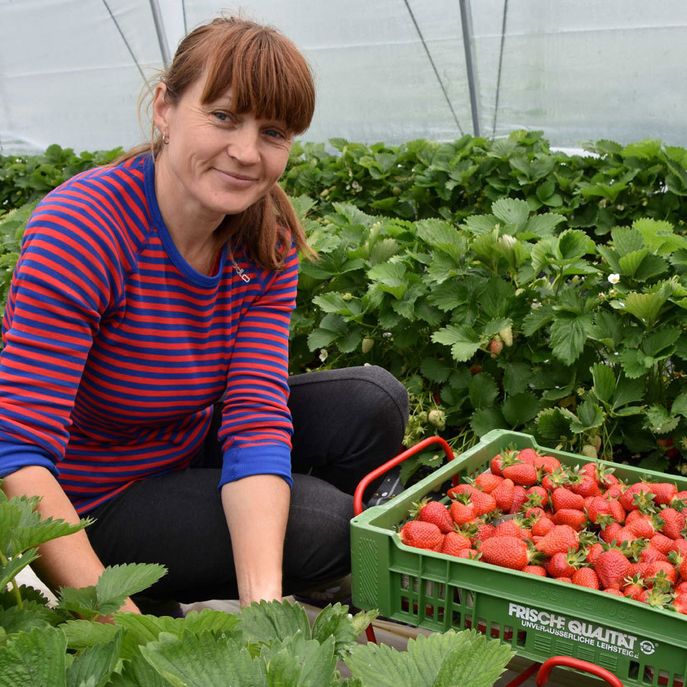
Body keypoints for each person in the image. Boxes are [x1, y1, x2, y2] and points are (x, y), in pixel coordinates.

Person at [0, 16, 408, 612]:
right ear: (165, 108)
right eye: (222, 117)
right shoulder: (85, 228)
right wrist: (118, 621)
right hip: (94, 497)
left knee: (373, 401)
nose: (246, 153)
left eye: (273, 132)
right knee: (325, 522)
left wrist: (264, 608)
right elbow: (19, 454)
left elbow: (255, 415)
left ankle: (309, 573)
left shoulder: (263, 239)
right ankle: (165, 582)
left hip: (188, 442)